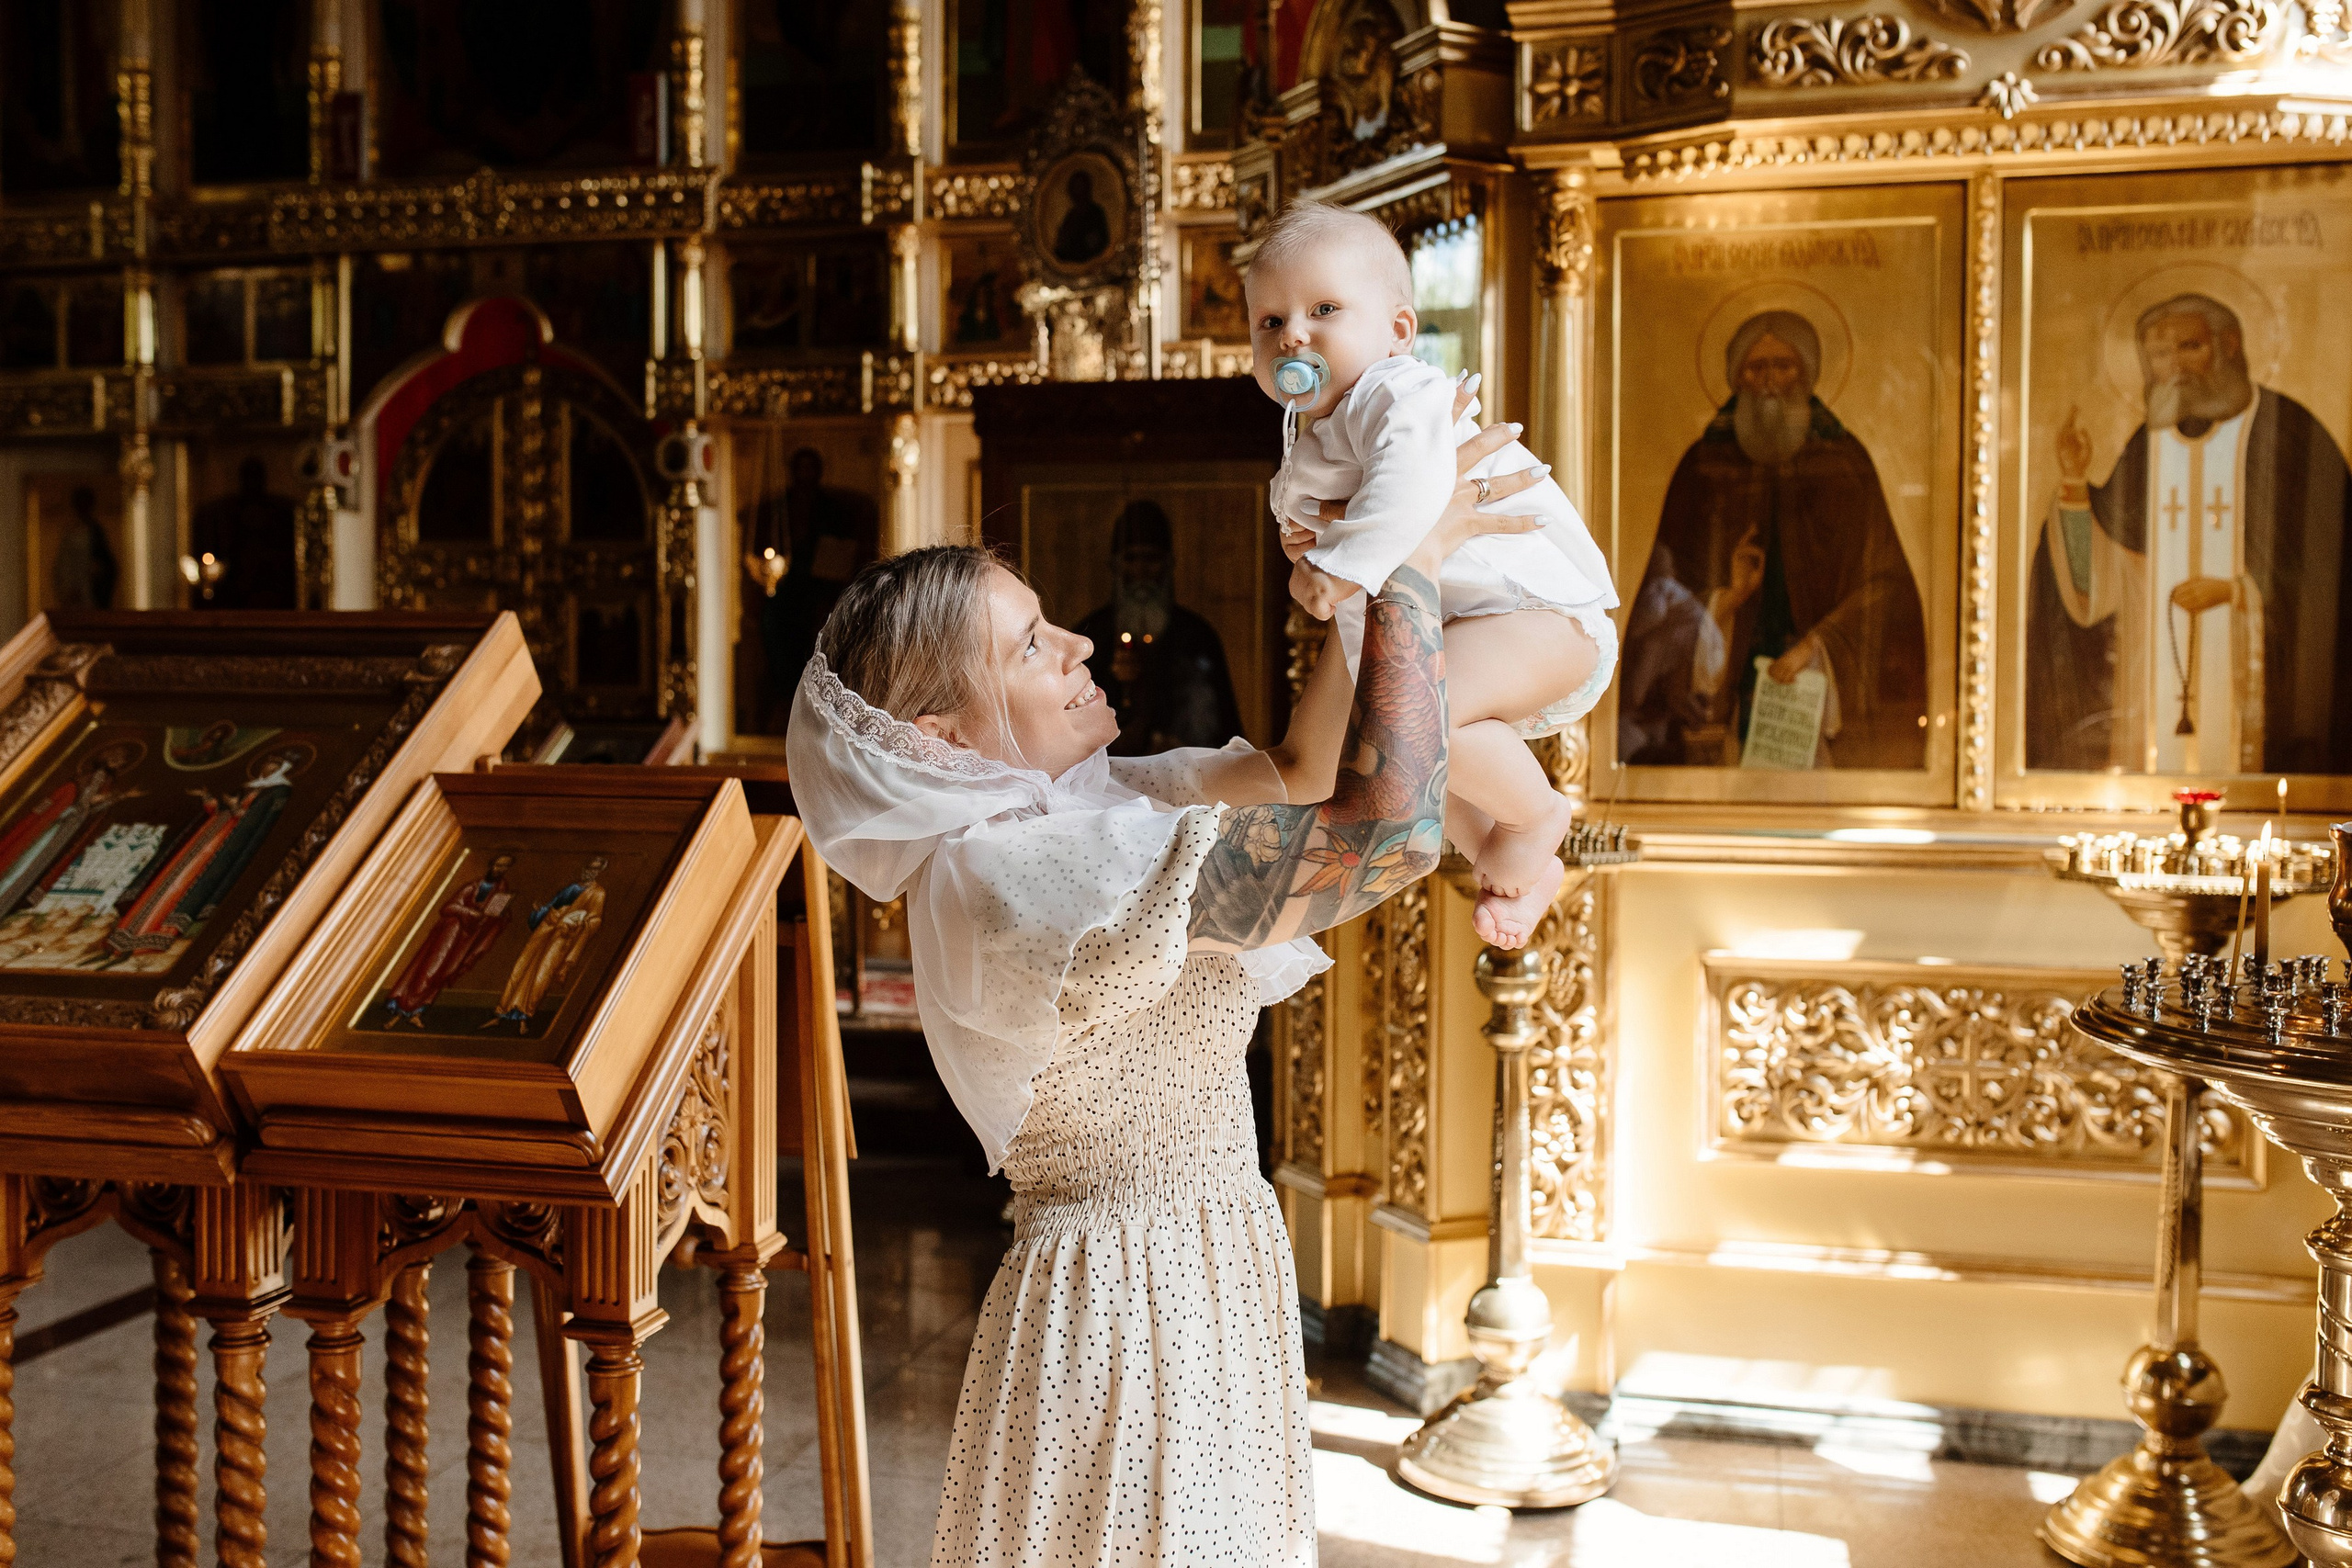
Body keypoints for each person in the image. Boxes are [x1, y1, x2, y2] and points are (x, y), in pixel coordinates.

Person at [786, 400, 1542, 1568]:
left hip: (1196, 1265)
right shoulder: (1017, 874)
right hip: (1131, 1308)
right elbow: (1379, 836)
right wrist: (1407, 575)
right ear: (940, 731)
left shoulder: (1094, 811)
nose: (1080, 646)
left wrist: (1346, 582)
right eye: (1032, 644)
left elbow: (1297, 769)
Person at [1253, 199, 1615, 948]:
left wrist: (1335, 564)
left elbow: (1413, 487)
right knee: (1404, 741)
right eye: (1270, 322)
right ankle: (1503, 858)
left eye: (1324, 308)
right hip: (1472, 625)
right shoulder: (1313, 428)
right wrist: (1302, 543)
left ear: (1398, 331)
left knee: (1418, 716)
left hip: (1540, 615)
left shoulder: (1398, 393)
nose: (1294, 333)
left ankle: (1538, 814)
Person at [2029, 292, 2352, 774]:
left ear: (2230, 345)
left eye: (2189, 347)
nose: (2175, 366)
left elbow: (2329, 575)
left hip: (2267, 699)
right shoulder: (2145, 446)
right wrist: (2075, 483)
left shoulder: (2292, 436)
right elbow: (2106, 576)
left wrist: (2236, 591)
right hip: (2149, 694)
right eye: (2159, 355)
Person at [1628, 310, 1928, 770]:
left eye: (1782, 366)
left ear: (1806, 373)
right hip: (1722, 712)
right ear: (1736, 377)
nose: (1769, 382)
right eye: (1756, 367)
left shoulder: (1845, 462)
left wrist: (1818, 645)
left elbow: (1887, 586)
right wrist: (1727, 599)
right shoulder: (1702, 467)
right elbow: (1657, 600)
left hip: (1818, 699)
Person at [1075, 500, 1245, 754]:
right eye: (1131, 559)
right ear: (1115, 564)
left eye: (1151, 559)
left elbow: (1222, 729)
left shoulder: (1197, 635)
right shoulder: (1090, 634)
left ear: (1169, 563)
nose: (1140, 570)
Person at [1051, 167, 1110, 264]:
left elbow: (1099, 243)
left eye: (1081, 187)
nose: (1078, 191)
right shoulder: (1071, 215)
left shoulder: (1095, 213)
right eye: (1075, 187)